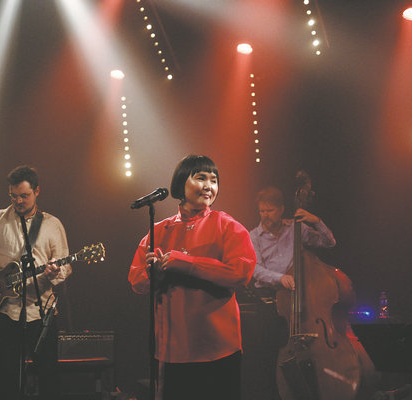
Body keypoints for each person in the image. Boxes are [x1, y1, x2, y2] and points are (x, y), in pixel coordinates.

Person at [128, 155, 257, 400]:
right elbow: (136, 281)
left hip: (217, 347)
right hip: (171, 349)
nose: (209, 186)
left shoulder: (228, 226)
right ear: (181, 183)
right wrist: (153, 275)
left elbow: (241, 272)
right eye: (201, 178)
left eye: (214, 180)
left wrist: (186, 264)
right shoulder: (158, 231)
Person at [0, 165, 71, 400]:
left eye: (24, 195)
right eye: (13, 196)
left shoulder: (52, 225)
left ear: (37, 191)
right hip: (4, 313)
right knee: (6, 381)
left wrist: (55, 272)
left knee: (49, 379)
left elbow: (66, 266)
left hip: (42, 313)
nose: (18, 201)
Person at [239, 186, 336, 400]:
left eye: (270, 210)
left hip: (298, 300)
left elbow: (329, 242)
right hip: (268, 303)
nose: (265, 215)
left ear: (281, 209)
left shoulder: (295, 228)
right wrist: (280, 278)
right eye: (262, 211)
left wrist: (316, 221)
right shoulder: (253, 236)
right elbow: (255, 269)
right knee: (268, 358)